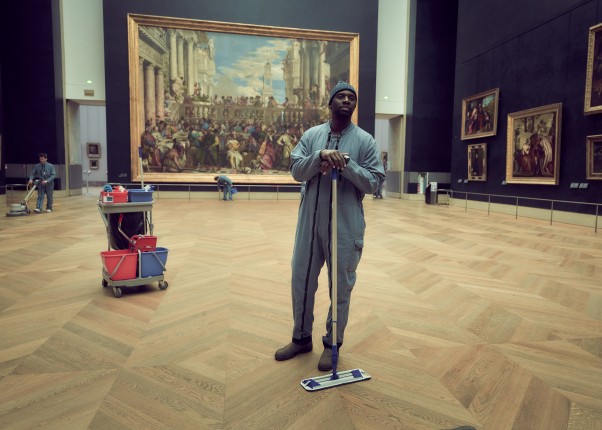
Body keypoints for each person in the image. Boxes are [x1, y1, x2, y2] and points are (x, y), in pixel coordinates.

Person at [275, 81, 385, 371]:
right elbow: (296, 170)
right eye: (341, 97)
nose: (346, 101)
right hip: (309, 224)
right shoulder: (312, 136)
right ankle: (301, 338)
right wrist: (320, 156)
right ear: (330, 103)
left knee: (340, 287)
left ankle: (332, 343)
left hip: (345, 226)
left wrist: (346, 165)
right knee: (301, 281)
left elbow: (374, 182)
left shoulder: (365, 141)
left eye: (351, 97)